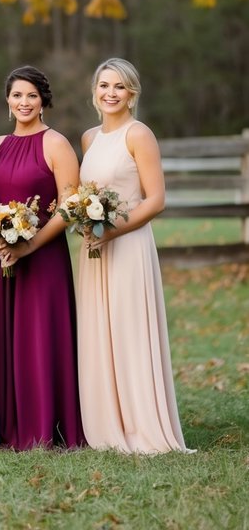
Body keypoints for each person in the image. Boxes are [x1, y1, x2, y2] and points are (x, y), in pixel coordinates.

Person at [77, 57, 189, 453]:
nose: (111, 93)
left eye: (119, 87)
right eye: (104, 86)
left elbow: (156, 199)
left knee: (128, 330)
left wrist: (110, 231)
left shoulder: (138, 134)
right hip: (93, 251)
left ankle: (143, 425)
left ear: (132, 93)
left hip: (127, 244)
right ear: (94, 93)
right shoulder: (89, 138)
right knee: (99, 332)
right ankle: (107, 423)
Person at [0, 65, 84, 449]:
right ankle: (12, 423)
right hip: (4, 256)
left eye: (31, 95)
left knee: (42, 336)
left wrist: (30, 244)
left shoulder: (56, 143)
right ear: (7, 101)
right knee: (9, 338)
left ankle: (48, 425)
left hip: (43, 256)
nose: (23, 102)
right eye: (16, 95)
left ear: (43, 100)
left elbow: (69, 204)